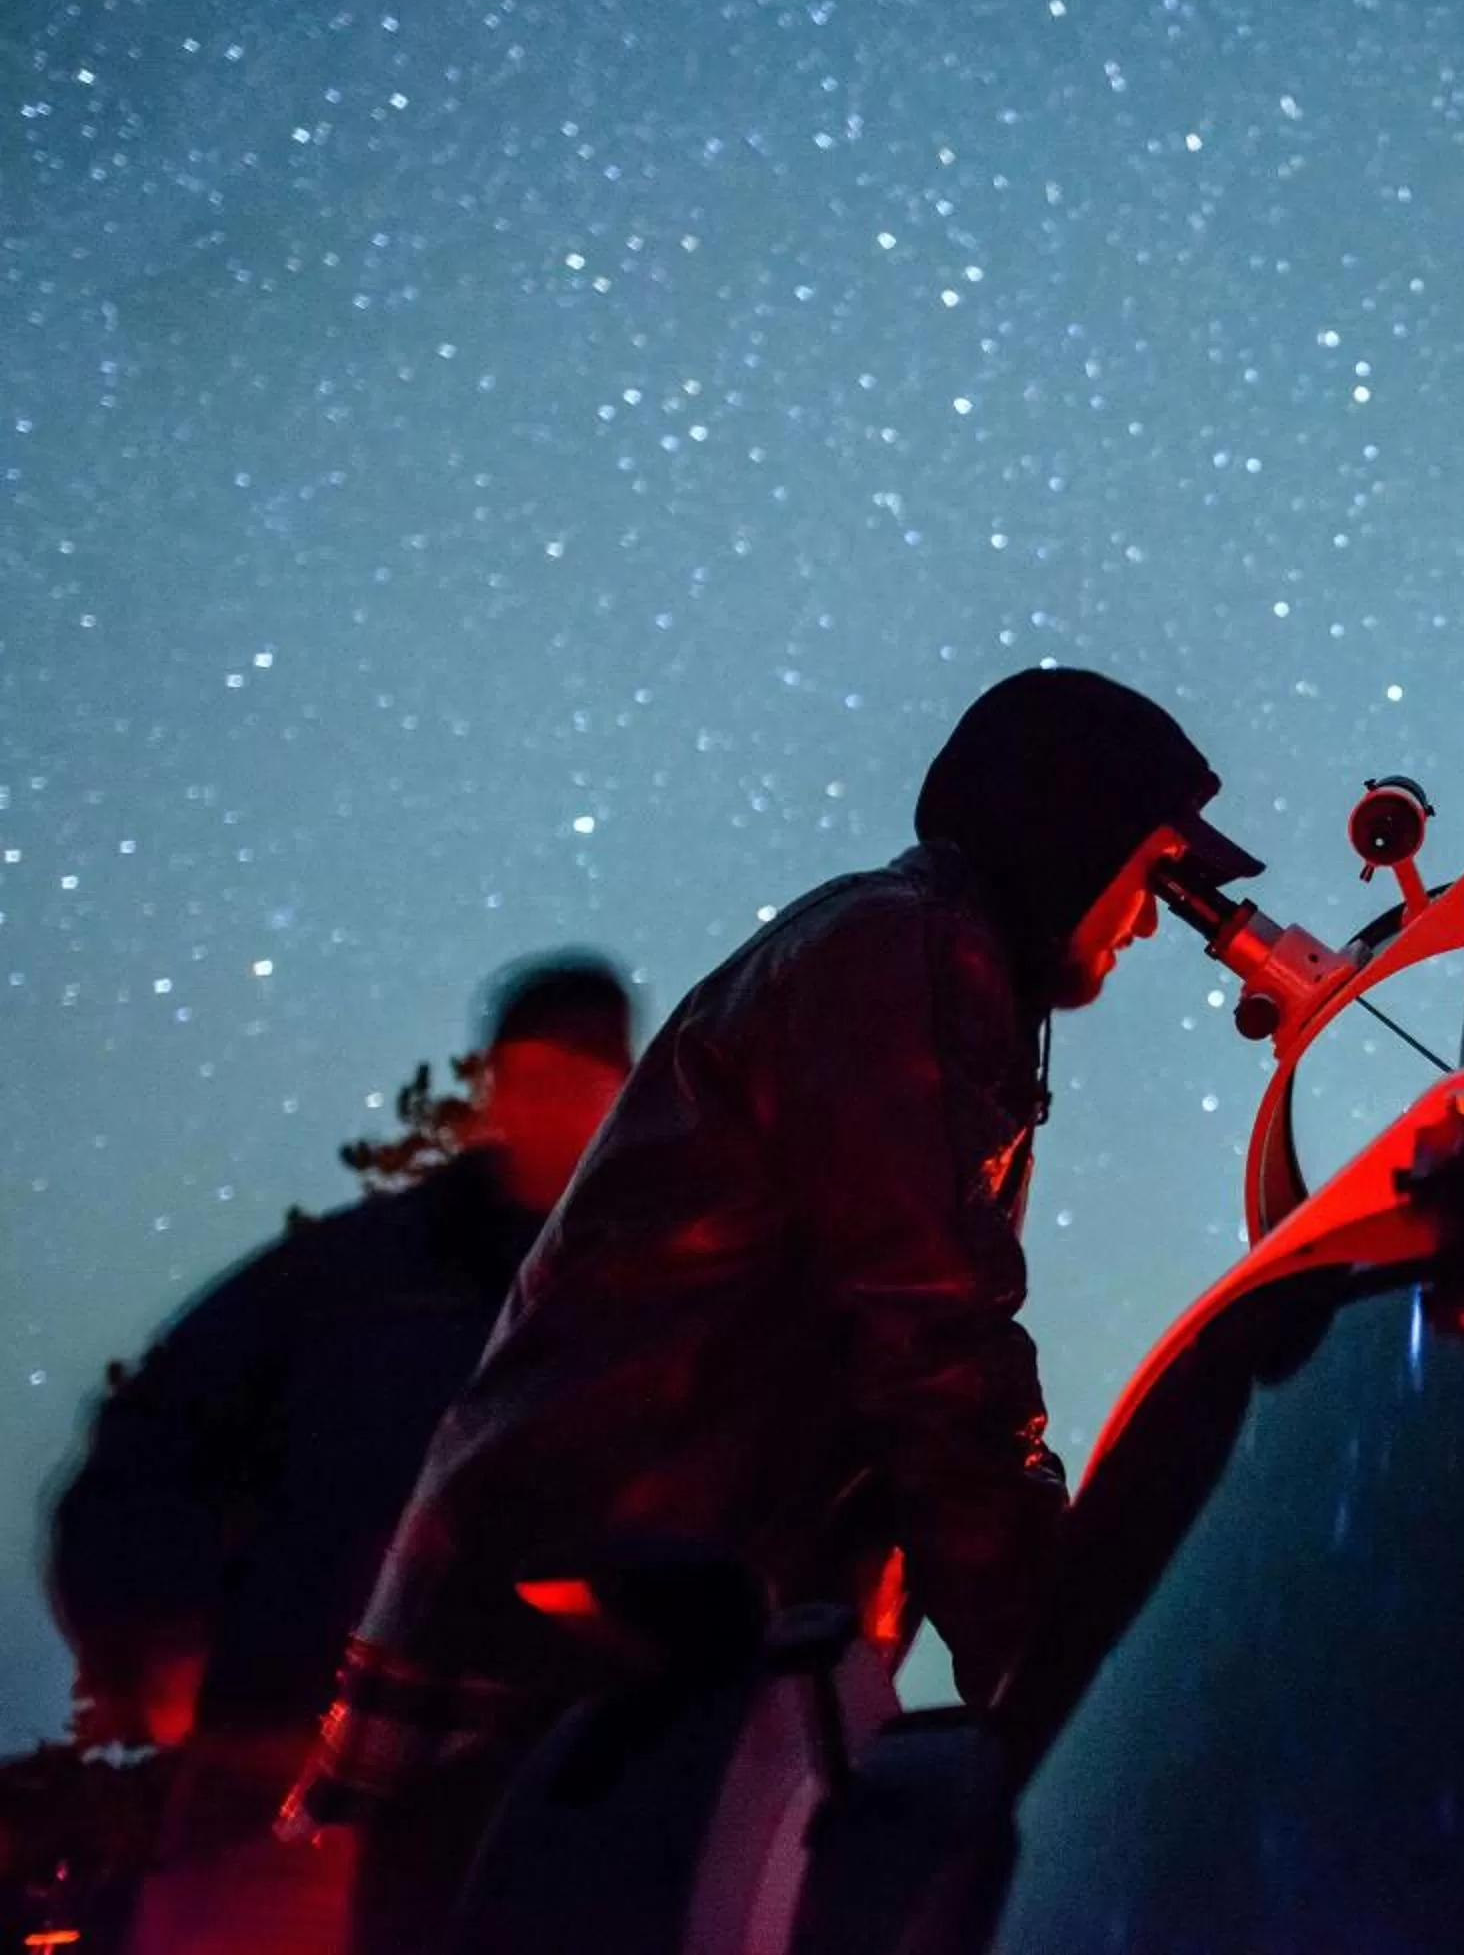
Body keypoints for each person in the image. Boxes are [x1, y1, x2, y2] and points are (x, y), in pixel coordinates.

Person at [283, 667, 1259, 1954]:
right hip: (585, 1633)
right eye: (1154, 869)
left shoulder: (930, 969)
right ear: (1068, 832)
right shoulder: (901, 955)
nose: (1152, 922)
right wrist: (1065, 1679)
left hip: (641, 1625)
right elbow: (934, 1344)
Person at [47, 955, 637, 1955]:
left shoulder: (632, 1301)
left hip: (526, 1779)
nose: (549, 1106)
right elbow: (152, 1437)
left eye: (581, 1083)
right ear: (492, 1086)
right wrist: (159, 1638)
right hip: (272, 1759)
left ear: (621, 1099)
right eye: (528, 1077)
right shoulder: (348, 1279)